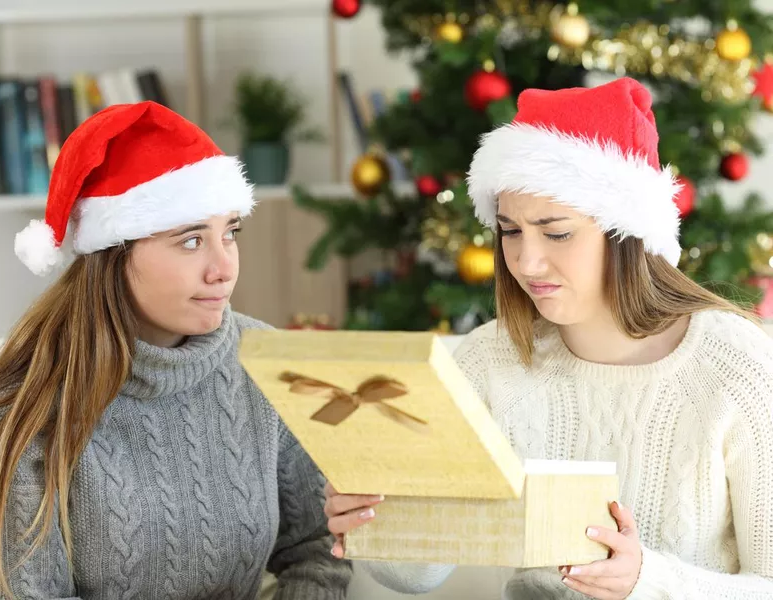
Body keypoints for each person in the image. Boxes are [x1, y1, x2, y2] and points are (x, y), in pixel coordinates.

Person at [324, 77, 773, 599]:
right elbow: (419, 573)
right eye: (510, 231)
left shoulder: (736, 365)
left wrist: (646, 580)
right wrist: (373, 517)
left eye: (556, 232)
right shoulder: (489, 363)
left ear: (626, 232)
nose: (526, 262)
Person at [0, 101, 352, 599]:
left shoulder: (267, 362)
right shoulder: (21, 412)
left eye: (230, 233)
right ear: (112, 255)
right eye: (191, 241)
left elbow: (316, 547)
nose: (224, 268)